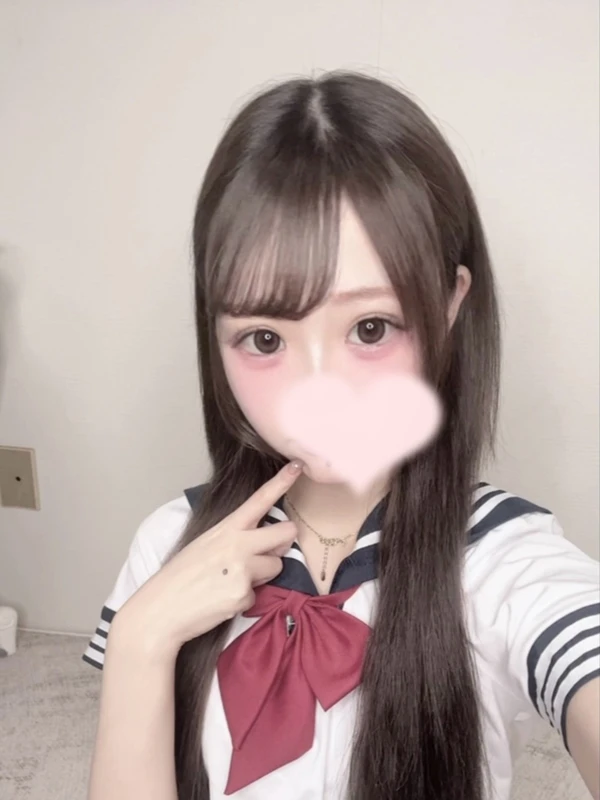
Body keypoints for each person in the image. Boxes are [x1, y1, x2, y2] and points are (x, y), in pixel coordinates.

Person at [82, 72, 600, 800]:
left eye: (371, 328)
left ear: (450, 303)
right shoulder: (169, 542)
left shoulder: (504, 560)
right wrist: (140, 643)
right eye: (265, 338)